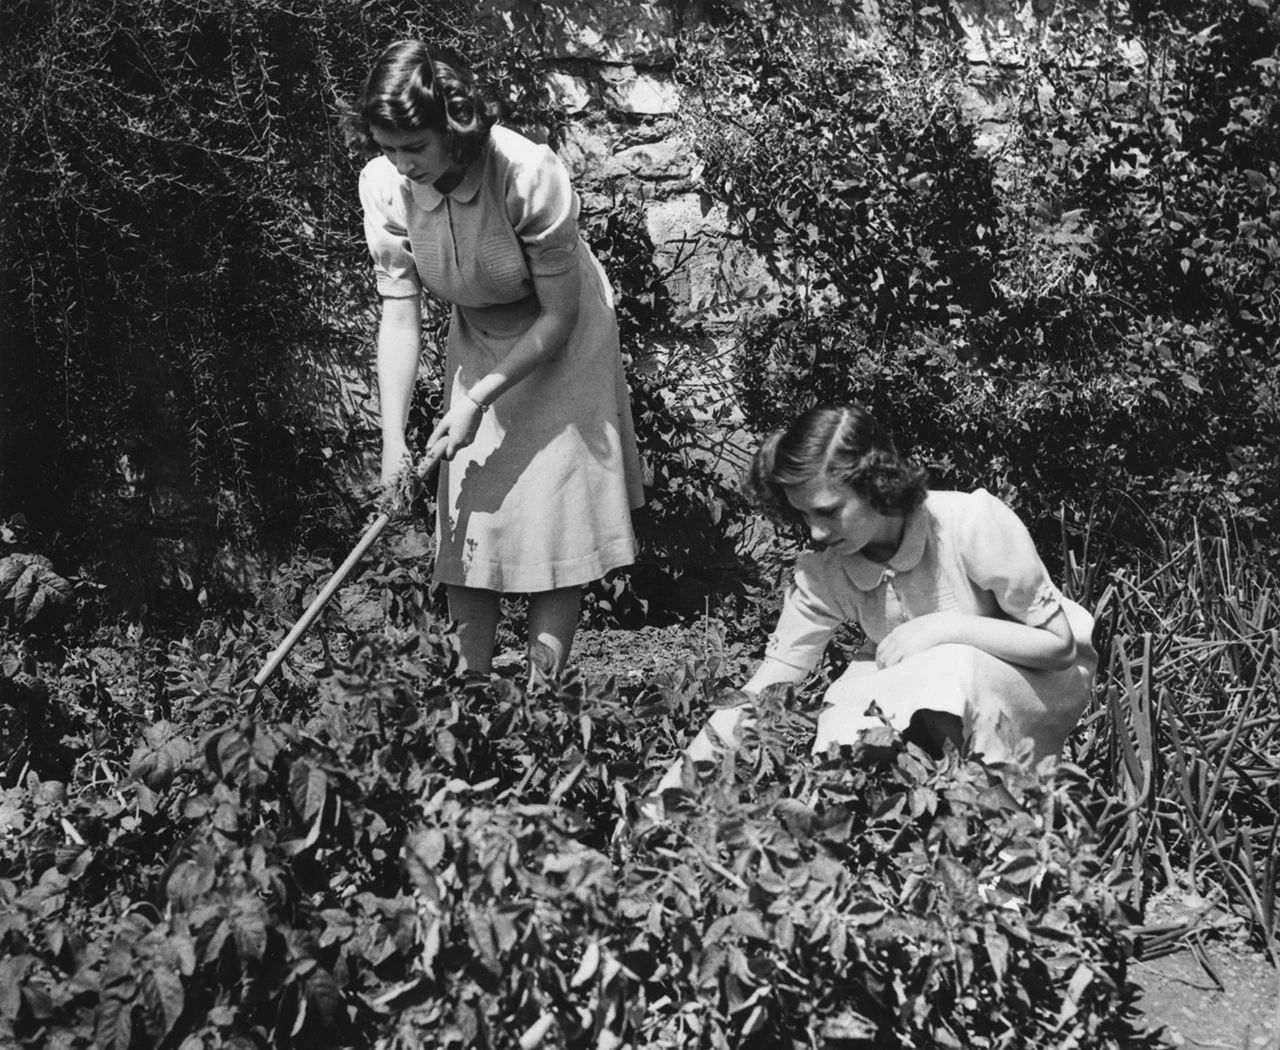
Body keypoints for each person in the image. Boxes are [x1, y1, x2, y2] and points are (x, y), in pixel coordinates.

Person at [346, 40, 644, 678]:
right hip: (479, 334)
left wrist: (478, 399)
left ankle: (543, 697)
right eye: (386, 147)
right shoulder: (385, 187)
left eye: (414, 148)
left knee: (555, 510)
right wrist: (393, 440)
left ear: (452, 129)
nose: (400, 164)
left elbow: (559, 314)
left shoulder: (526, 173)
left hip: (561, 336)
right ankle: (470, 686)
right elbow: (399, 316)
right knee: (471, 506)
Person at [655, 404, 1096, 795]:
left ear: (878, 484)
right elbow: (768, 687)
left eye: (828, 511)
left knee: (949, 667)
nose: (816, 532)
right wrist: (672, 791)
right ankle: (911, 835)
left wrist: (943, 628)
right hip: (932, 695)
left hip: (1034, 684)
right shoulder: (826, 571)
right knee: (842, 723)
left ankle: (1004, 840)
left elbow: (1059, 647)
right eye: (803, 513)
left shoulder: (967, 523)